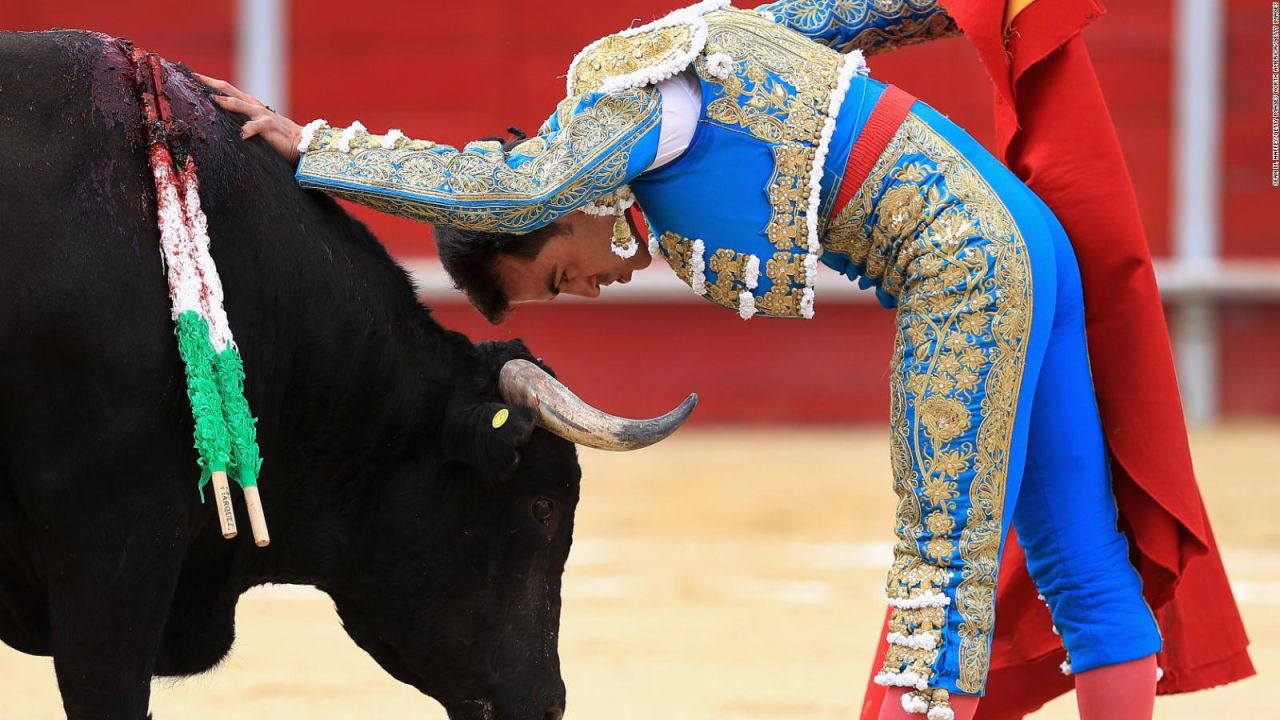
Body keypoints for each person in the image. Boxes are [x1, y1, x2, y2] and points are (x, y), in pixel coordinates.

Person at [200, 2, 1244, 718]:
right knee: (1075, 555)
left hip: (968, 266)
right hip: (1028, 246)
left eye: (557, 278)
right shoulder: (680, 66)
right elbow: (847, 13)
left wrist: (322, 148)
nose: (592, 290)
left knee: (940, 576)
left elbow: (509, 191)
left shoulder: (611, 111)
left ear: (562, 214)